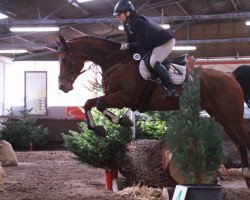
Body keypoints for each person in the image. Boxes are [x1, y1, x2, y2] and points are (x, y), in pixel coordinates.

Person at [113, 0, 179, 98]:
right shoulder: (127, 24)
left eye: (119, 15)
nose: (118, 17)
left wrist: (128, 46)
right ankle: (163, 70)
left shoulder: (138, 22)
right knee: (145, 61)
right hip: (154, 44)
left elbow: (141, 44)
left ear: (127, 13)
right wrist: (127, 47)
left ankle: (172, 90)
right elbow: (131, 40)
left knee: (153, 62)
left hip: (165, 41)